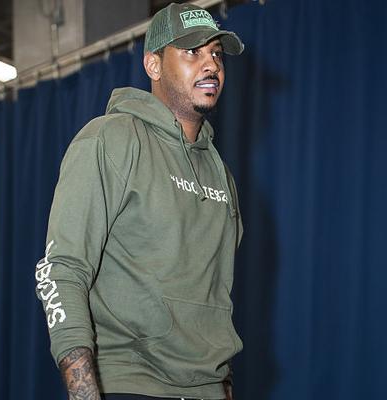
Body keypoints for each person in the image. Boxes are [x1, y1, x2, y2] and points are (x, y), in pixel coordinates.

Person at [35, 3, 245, 399]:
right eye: (192, 52)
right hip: (132, 383)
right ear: (153, 65)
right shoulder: (110, 139)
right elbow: (61, 270)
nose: (211, 65)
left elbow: (215, 298)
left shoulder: (220, 174)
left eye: (216, 54)